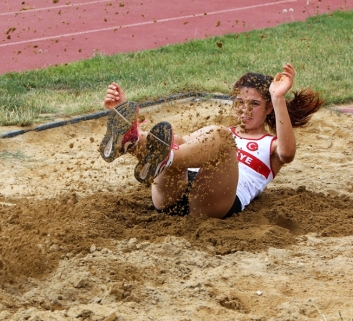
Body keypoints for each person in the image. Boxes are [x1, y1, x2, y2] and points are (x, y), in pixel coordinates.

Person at [99, 64, 324, 219]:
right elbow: (178, 142)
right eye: (239, 102)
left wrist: (278, 98)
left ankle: (165, 157)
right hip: (172, 196)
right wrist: (122, 108)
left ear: (267, 109)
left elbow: (288, 154)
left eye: (254, 104)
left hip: (214, 202)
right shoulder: (220, 132)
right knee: (176, 139)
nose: (244, 110)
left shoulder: (269, 144)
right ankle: (130, 137)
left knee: (220, 138)